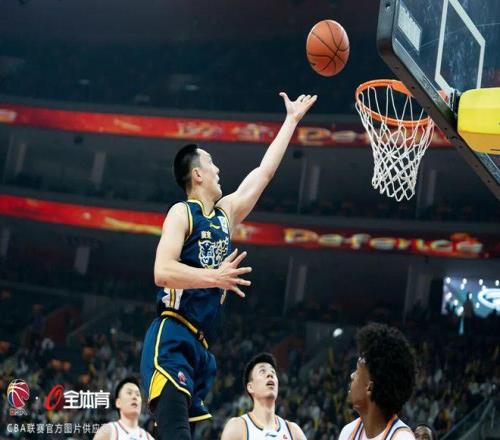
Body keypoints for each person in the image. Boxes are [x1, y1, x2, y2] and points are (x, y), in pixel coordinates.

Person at [140, 93, 317, 440]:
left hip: (201, 348)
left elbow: (264, 173)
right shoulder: (182, 212)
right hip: (172, 335)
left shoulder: (226, 214)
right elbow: (162, 271)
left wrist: (291, 122)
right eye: (212, 163)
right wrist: (214, 276)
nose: (219, 169)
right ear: (197, 174)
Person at [339, 323, 416, 440]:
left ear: (370, 388)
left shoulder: (402, 438)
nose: (352, 375)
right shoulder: (348, 432)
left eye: (357, 372)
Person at [221, 352, 306, 440]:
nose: (270, 375)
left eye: (273, 372)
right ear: (250, 387)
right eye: (262, 371)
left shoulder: (293, 431)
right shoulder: (237, 427)